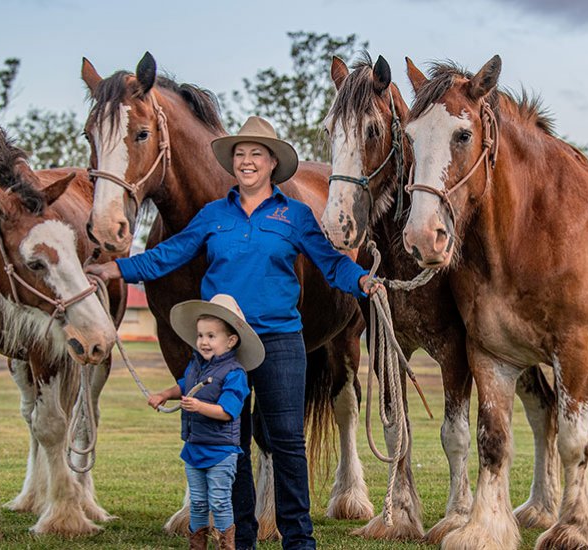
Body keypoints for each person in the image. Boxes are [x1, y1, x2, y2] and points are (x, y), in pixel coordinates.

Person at [87, 116, 383, 550]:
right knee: (233, 445)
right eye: (240, 155)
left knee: (286, 443)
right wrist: (116, 268)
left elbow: (330, 262)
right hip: (228, 347)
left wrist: (360, 281)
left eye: (256, 155)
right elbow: (167, 254)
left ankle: (298, 540)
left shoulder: (295, 214)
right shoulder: (214, 215)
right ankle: (242, 538)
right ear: (233, 163)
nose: (247, 162)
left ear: (272, 163)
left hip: (281, 341)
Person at [149, 295, 263, 550]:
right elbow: (184, 385)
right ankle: (197, 544)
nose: (203, 341)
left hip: (221, 451)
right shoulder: (196, 366)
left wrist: (199, 406)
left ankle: (226, 545)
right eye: (201, 335)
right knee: (198, 502)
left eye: (212, 336)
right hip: (194, 448)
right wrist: (164, 395)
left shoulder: (235, 374)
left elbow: (228, 411)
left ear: (231, 341)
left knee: (221, 501)